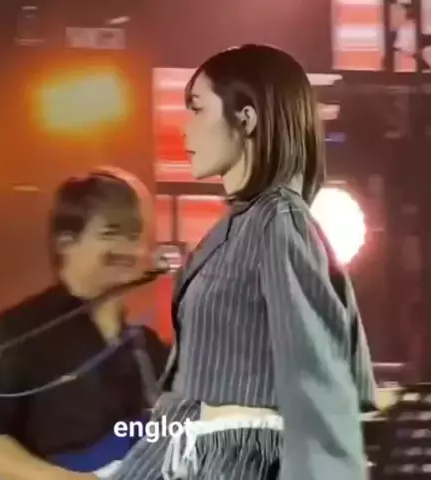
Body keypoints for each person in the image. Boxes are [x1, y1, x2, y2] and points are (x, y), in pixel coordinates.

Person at [65, 44, 378, 480]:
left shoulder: (279, 221)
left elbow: (317, 383)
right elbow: (184, 403)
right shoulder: (231, 231)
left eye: (197, 109)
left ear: (246, 119)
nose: (185, 129)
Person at [0, 168, 170, 480]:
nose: (128, 248)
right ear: (66, 242)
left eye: (134, 236)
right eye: (110, 233)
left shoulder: (147, 348)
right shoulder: (16, 333)